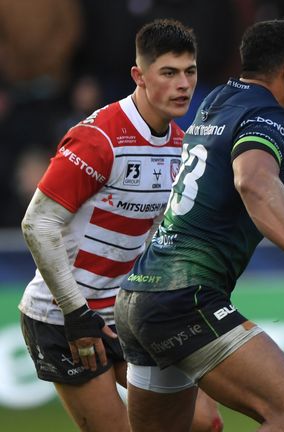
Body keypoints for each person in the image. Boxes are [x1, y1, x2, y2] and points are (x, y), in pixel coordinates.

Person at [114, 19, 284, 432]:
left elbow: (268, 144)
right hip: (185, 298)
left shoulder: (222, 99)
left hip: (140, 297)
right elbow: (254, 180)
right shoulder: (265, 115)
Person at [18, 19, 223, 432]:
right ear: (139, 76)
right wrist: (76, 315)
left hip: (125, 314)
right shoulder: (99, 139)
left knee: (205, 423)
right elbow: (37, 223)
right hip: (64, 318)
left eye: (190, 71)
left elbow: (155, 236)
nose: (183, 84)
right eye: (168, 72)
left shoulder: (180, 144)